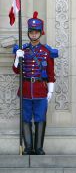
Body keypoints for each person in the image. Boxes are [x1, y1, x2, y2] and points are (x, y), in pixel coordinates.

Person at [12, 11, 58, 155]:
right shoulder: (22, 50)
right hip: (26, 89)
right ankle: (28, 147)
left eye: (36, 32)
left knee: (40, 118)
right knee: (25, 118)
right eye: (31, 32)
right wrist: (17, 58)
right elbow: (16, 70)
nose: (33, 34)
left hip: (40, 89)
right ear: (28, 33)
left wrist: (50, 91)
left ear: (40, 33)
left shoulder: (46, 51)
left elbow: (51, 73)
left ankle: (38, 148)